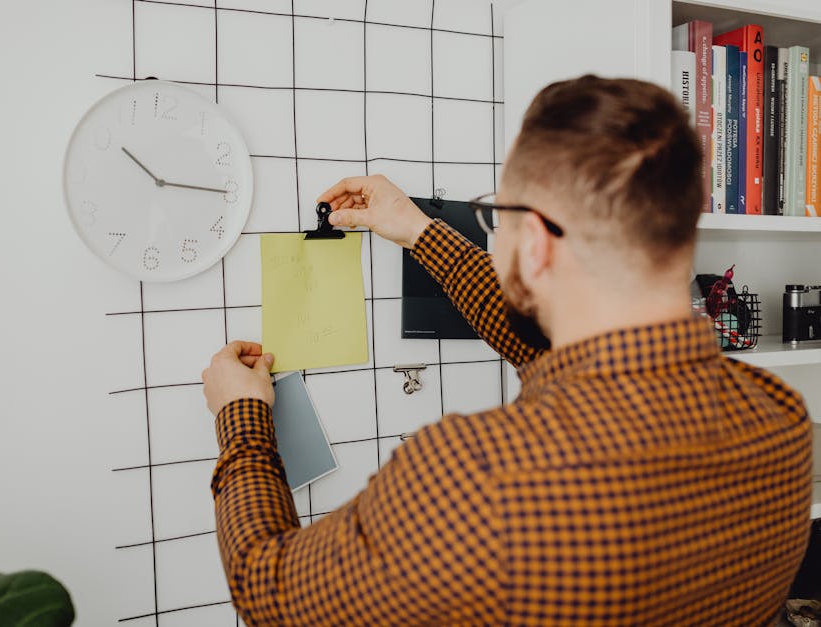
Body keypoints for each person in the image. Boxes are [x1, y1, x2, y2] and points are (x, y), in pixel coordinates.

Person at [201, 75, 813, 626]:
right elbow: (545, 345)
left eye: (498, 218)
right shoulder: (781, 420)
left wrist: (243, 420)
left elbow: (271, 594)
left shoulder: (483, 478)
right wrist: (418, 229)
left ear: (538, 244)